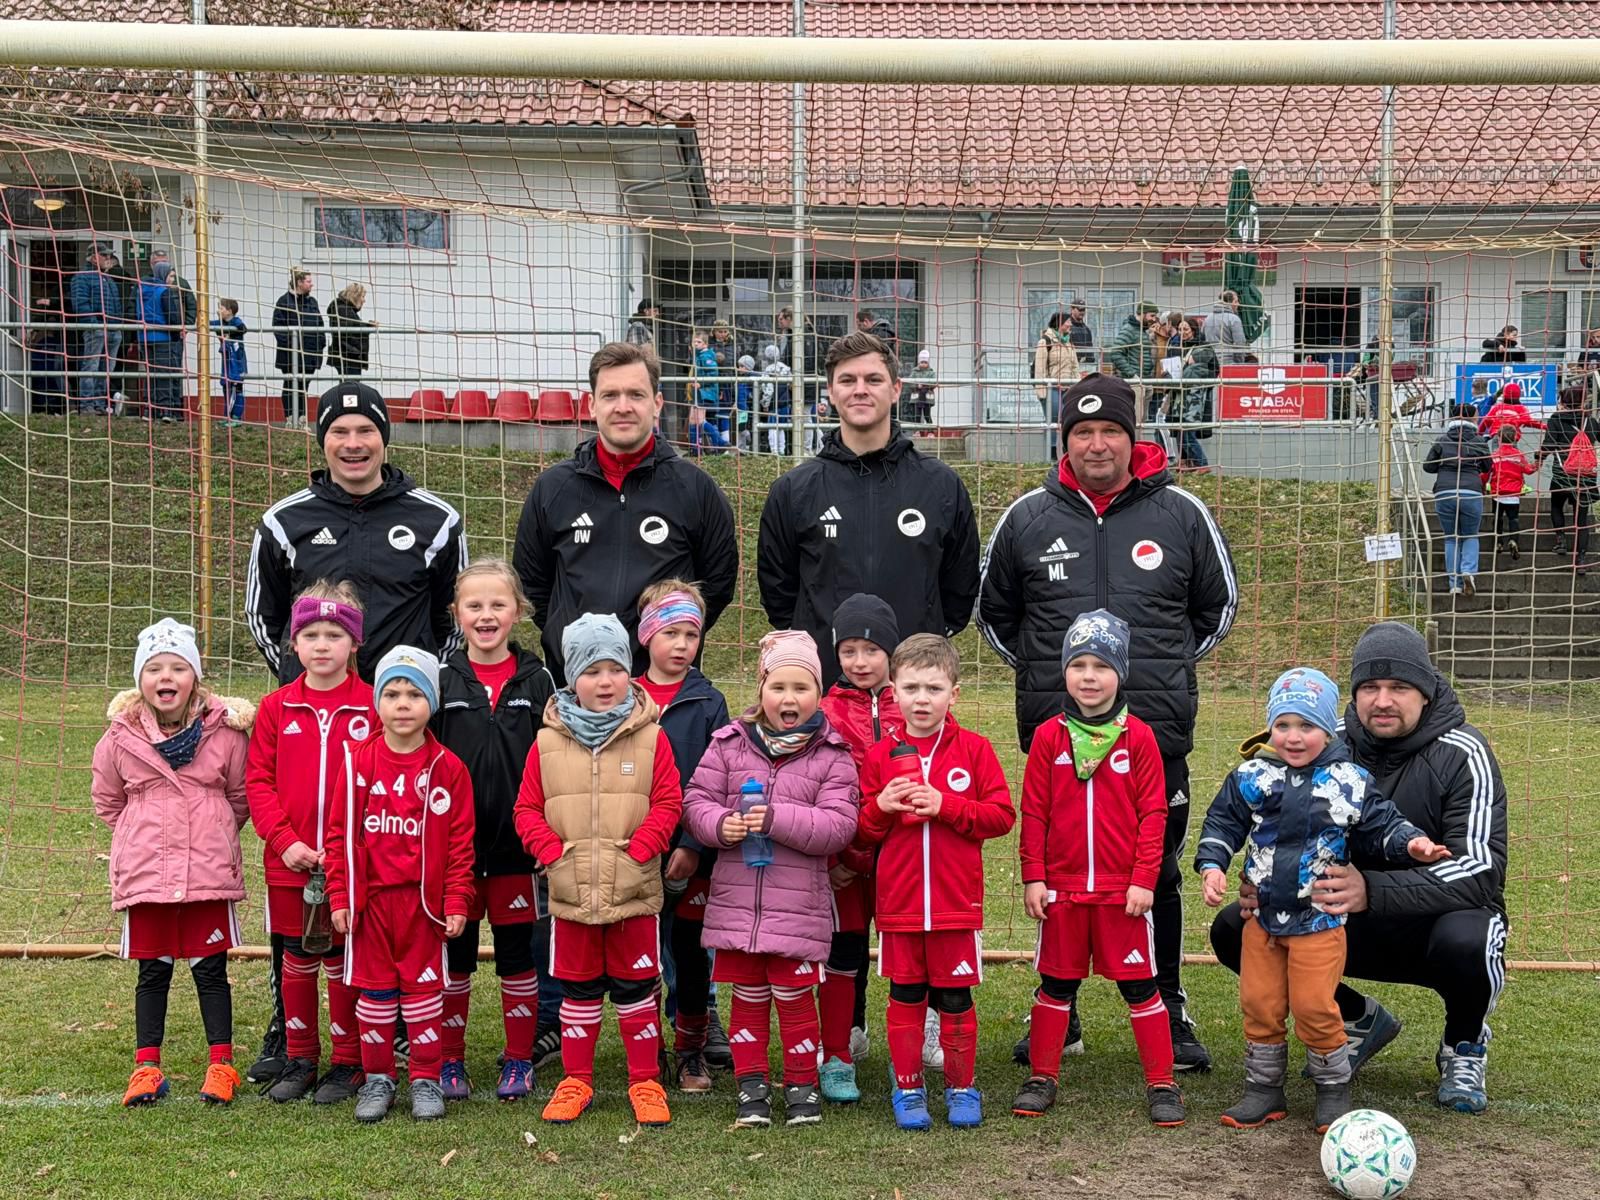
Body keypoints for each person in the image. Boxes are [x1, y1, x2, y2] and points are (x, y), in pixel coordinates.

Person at [978, 373, 1238, 1072]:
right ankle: (1057, 1013)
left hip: (1154, 733)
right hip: (1057, 739)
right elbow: (995, 615)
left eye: (1111, 431)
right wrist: (1052, 673)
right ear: (1064, 440)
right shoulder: (1027, 518)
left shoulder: (1181, 513)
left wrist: (1158, 667)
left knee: (1158, 871)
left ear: (1133, 438)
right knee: (1061, 874)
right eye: (1083, 432)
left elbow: (1217, 608)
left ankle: (1169, 1005)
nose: (1098, 444)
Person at [1208, 622, 1509, 1115]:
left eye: (1399, 687)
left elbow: (1479, 870)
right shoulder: (1319, 739)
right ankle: (1357, 1018)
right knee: (1236, 929)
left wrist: (1373, 888)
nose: (1382, 701)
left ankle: (1464, 1044)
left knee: (1469, 939)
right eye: (1370, 687)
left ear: (1426, 692)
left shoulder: (1464, 753)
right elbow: (1270, 820)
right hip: (1334, 918)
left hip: (1430, 922)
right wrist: (1264, 880)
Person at [1196, 667, 1449, 1133]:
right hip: (1261, 920)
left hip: (1319, 921)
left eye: (1307, 726)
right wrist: (1213, 864)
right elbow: (1222, 823)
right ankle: (1263, 1088)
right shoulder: (1252, 775)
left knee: (1314, 1006)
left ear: (1329, 729)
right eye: (1283, 725)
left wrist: (1411, 843)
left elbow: (1382, 823)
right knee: (1259, 1004)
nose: (1293, 737)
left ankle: (1334, 1090)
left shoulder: (1348, 780)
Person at [1012, 611, 1184, 1128]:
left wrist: (1143, 879)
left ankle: (1162, 1082)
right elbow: (1034, 811)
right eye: (1079, 665)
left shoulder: (1140, 737)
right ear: (1065, 671)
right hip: (1062, 892)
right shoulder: (1049, 737)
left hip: (1121, 893)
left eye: (1102, 666)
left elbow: (1154, 814)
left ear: (1120, 672)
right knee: (1056, 985)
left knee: (1141, 987)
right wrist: (1034, 875)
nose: (1089, 676)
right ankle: (1042, 1076)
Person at [681, 630, 859, 1129]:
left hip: (798, 908)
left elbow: (839, 826)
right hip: (737, 906)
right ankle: (752, 1086)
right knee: (748, 999)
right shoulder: (728, 744)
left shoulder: (833, 755)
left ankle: (802, 1085)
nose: (789, 698)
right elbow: (695, 802)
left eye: (801, 687)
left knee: (796, 999)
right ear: (761, 689)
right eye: (778, 686)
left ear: (819, 693)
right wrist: (720, 824)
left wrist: (776, 818)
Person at [513, 613, 683, 1128]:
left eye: (614, 669)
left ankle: (645, 1080)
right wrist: (551, 853)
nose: (604, 682)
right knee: (579, 993)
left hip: (634, 892)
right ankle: (576, 1080)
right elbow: (526, 809)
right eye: (591, 671)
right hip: (570, 895)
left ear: (629, 671)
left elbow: (669, 802)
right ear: (572, 678)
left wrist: (641, 851)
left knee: (636, 992)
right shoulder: (546, 742)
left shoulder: (652, 737)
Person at [91, 619, 254, 1107]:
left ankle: (222, 1064)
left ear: (195, 677)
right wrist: (140, 835)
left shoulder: (225, 734)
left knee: (211, 970)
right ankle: (147, 1067)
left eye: (178, 667)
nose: (166, 676)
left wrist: (213, 832)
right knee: (153, 971)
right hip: (148, 875)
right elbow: (108, 801)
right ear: (140, 680)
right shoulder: (119, 738)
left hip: (207, 873)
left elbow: (239, 796)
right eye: (154, 668)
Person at [855, 634, 1013, 1131]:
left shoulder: (975, 750)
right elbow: (861, 831)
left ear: (954, 694)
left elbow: (1001, 816)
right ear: (893, 692)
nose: (921, 699)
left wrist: (948, 806)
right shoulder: (880, 756)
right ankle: (908, 1087)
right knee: (905, 995)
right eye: (911, 688)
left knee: (955, 998)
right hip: (900, 906)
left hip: (955, 905)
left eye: (934, 688)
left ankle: (962, 1087)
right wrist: (881, 807)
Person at [758, 331, 980, 682]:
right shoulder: (794, 490)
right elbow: (779, 595)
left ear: (896, 389)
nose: (860, 389)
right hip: (826, 689)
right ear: (831, 392)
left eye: (873, 379)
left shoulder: (941, 486)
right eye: (848, 380)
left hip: (913, 691)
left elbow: (959, 591)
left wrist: (922, 634)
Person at [513, 342, 738, 683]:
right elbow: (532, 583)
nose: (623, 407)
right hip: (576, 685)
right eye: (610, 395)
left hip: (663, 687)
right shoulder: (553, 488)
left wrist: (670, 636)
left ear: (656, 403)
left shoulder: (695, 488)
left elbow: (717, 584)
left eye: (636, 394)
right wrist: (566, 631)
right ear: (592, 404)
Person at [325, 646, 476, 1124]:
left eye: (415, 694)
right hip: (370, 907)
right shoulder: (357, 763)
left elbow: (460, 843)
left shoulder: (448, 768)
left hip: (422, 907)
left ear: (432, 702)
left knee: (425, 996)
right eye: (392, 693)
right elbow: (338, 836)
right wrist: (341, 895)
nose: (403, 703)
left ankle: (426, 1078)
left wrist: (456, 898)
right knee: (375, 995)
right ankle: (378, 1078)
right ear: (378, 702)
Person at [429, 560, 559, 1103]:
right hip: (453, 851)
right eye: (474, 605)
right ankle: (449, 1061)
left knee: (516, 956)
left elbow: (554, 762)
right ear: (456, 613)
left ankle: (519, 1059)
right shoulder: (441, 680)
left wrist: (548, 832)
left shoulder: (538, 680)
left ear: (518, 612)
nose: (486, 615)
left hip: (516, 849)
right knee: (455, 957)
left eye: (498, 605)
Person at [245, 582, 374, 1105]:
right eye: (312, 634)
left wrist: (353, 850)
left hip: (351, 865)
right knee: (296, 960)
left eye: (335, 635)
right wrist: (284, 842)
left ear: (355, 643)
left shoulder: (373, 706)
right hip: (291, 863)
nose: (323, 645)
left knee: (343, 960)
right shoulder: (276, 708)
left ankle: (349, 1062)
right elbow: (258, 783)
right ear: (294, 643)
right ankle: (300, 1057)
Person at [246, 381, 467, 686]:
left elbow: (454, 617)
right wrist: (297, 675)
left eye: (366, 430)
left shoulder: (438, 520)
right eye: (339, 432)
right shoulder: (282, 521)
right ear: (323, 440)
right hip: (316, 702)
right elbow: (263, 616)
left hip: (404, 701)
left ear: (383, 437)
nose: (353, 443)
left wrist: (422, 676)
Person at [634, 581, 733, 1091]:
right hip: (637, 851)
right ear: (646, 635)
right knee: (643, 951)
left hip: (694, 853)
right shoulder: (625, 697)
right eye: (670, 633)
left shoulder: (710, 702)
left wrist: (693, 845)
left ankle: (691, 1050)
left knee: (692, 953)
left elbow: (719, 779)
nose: (681, 644)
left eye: (691, 635)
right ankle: (647, 1047)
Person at [816, 593, 905, 1101]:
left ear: (890, 651)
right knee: (844, 949)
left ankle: (912, 1045)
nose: (860, 661)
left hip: (901, 859)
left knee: (905, 952)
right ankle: (843, 1042)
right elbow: (816, 789)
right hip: (844, 861)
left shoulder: (912, 703)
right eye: (848, 650)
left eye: (871, 650)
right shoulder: (824, 711)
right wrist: (839, 856)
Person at [1422, 403, 1492, 597]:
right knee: (1470, 535)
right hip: (1471, 491)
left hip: (1445, 491)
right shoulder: (1478, 440)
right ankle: (1468, 570)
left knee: (1451, 538)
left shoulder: (1442, 439)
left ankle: (1455, 584)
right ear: (1471, 419)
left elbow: (1428, 466)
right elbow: (1488, 467)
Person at [1537, 387, 1600, 569]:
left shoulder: (1556, 419)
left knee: (1556, 505)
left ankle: (1561, 540)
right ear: (1583, 401)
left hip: (1562, 473)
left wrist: (1538, 459)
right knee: (1582, 519)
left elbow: (1549, 444)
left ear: (1563, 402)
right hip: (1586, 475)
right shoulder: (1591, 421)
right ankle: (1581, 559)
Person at [68, 242, 124, 414]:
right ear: (93, 258)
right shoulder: (82, 278)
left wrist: (117, 326)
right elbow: (80, 304)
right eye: (104, 255)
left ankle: (100, 404)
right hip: (96, 329)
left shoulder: (108, 279)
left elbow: (117, 305)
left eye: (109, 255)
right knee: (91, 367)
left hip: (112, 329)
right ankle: (87, 405)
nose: (108, 258)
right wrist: (95, 324)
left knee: (106, 370)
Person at [272, 266, 325, 427]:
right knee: (290, 384)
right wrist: (292, 345)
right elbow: (278, 328)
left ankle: (301, 417)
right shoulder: (284, 302)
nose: (312, 284)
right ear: (299, 282)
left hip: (310, 353)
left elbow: (320, 324)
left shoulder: (312, 302)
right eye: (309, 281)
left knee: (304, 385)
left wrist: (320, 344)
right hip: (291, 355)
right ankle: (290, 417)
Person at [138, 260, 185, 422]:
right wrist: (176, 334)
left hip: (145, 338)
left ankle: (149, 410)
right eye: (171, 276)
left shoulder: (141, 290)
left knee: (150, 374)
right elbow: (172, 316)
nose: (172, 280)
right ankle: (165, 410)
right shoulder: (164, 292)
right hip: (163, 338)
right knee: (164, 374)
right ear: (163, 275)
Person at [1486, 424, 1538, 562]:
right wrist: (1538, 463)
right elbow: (1529, 470)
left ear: (1498, 438)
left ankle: (1498, 541)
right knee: (1513, 518)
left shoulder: (1495, 455)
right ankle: (1514, 540)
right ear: (1515, 438)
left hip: (1498, 493)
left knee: (1498, 518)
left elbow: (1487, 471)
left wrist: (1483, 484)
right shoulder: (1518, 455)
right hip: (1513, 494)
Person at [1034, 313, 1081, 460]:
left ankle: (1067, 454)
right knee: (1054, 421)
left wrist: (1078, 385)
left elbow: (1075, 367)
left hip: (1069, 389)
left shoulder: (1069, 342)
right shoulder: (1045, 341)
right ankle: (1053, 455)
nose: (1070, 324)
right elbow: (1040, 369)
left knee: (1068, 420)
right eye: (1068, 321)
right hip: (1052, 389)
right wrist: (1042, 392)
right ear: (1059, 323)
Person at [327, 283, 376, 379]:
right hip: (348, 357)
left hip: (350, 356)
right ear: (355, 296)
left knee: (350, 384)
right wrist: (357, 351)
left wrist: (368, 326)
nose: (364, 300)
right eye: (362, 297)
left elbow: (352, 326)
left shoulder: (346, 309)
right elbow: (347, 331)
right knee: (350, 385)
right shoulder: (342, 309)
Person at [1104, 301, 1159, 387]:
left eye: (1155, 316)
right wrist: (1131, 375)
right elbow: (1115, 353)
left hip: (1145, 380)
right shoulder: (1129, 330)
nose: (1154, 319)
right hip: (1134, 383)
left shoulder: (1142, 331)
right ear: (1142, 314)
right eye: (1152, 316)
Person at [212, 299, 249, 426]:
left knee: (236, 387)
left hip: (237, 360)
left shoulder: (236, 321)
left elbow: (243, 328)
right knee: (226, 387)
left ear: (229, 311)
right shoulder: (220, 322)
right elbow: (208, 323)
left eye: (221, 308)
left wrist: (229, 334)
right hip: (227, 360)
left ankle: (236, 417)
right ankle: (227, 416)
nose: (218, 311)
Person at [1476, 381, 1544, 439]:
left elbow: (1486, 420)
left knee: (1496, 450)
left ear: (1504, 395)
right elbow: (1529, 421)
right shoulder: (1521, 408)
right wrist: (1544, 426)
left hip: (1497, 434)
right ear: (1519, 395)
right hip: (1512, 437)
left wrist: (1478, 435)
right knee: (1513, 450)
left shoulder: (1497, 407)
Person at [760, 342, 793, 455]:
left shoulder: (768, 370)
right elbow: (791, 385)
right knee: (781, 427)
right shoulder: (785, 368)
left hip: (774, 403)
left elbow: (768, 390)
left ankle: (774, 450)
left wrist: (765, 404)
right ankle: (781, 450)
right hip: (785, 402)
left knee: (772, 427)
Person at [1202, 291, 1249, 365]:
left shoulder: (1207, 319)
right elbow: (1240, 344)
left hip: (1210, 362)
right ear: (1228, 303)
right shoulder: (1234, 319)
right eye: (1236, 301)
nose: (1238, 304)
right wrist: (1239, 363)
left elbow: (1203, 338)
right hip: (1229, 363)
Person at [903, 349, 937, 426]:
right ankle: (917, 430)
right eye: (922, 362)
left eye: (925, 362)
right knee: (917, 415)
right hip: (917, 397)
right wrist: (916, 386)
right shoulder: (914, 372)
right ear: (919, 363)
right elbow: (910, 383)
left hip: (927, 397)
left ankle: (930, 430)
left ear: (928, 363)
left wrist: (926, 386)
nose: (923, 364)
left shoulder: (931, 372)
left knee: (927, 415)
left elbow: (934, 383)